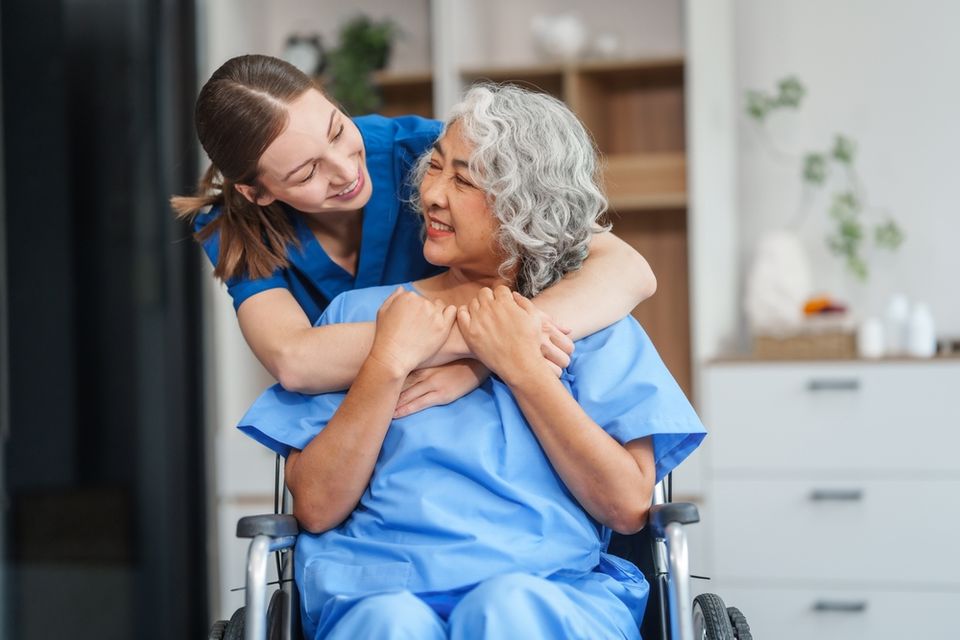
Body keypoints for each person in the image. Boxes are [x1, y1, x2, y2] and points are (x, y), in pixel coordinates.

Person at [237, 84, 706, 639]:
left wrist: (521, 367)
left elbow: (629, 507)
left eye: (463, 180)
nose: (432, 194)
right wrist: (387, 362)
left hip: (548, 587)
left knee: (508, 609)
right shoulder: (359, 318)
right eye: (433, 168)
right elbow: (313, 507)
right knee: (390, 622)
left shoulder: (591, 325)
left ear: (526, 203)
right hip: (377, 587)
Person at [171, 55, 657, 415]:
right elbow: (295, 360)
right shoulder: (235, 226)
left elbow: (625, 268)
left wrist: (486, 359)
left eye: (338, 131)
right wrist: (482, 341)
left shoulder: (431, 154)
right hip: (361, 425)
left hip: (493, 405)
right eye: (305, 173)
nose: (345, 172)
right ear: (257, 193)